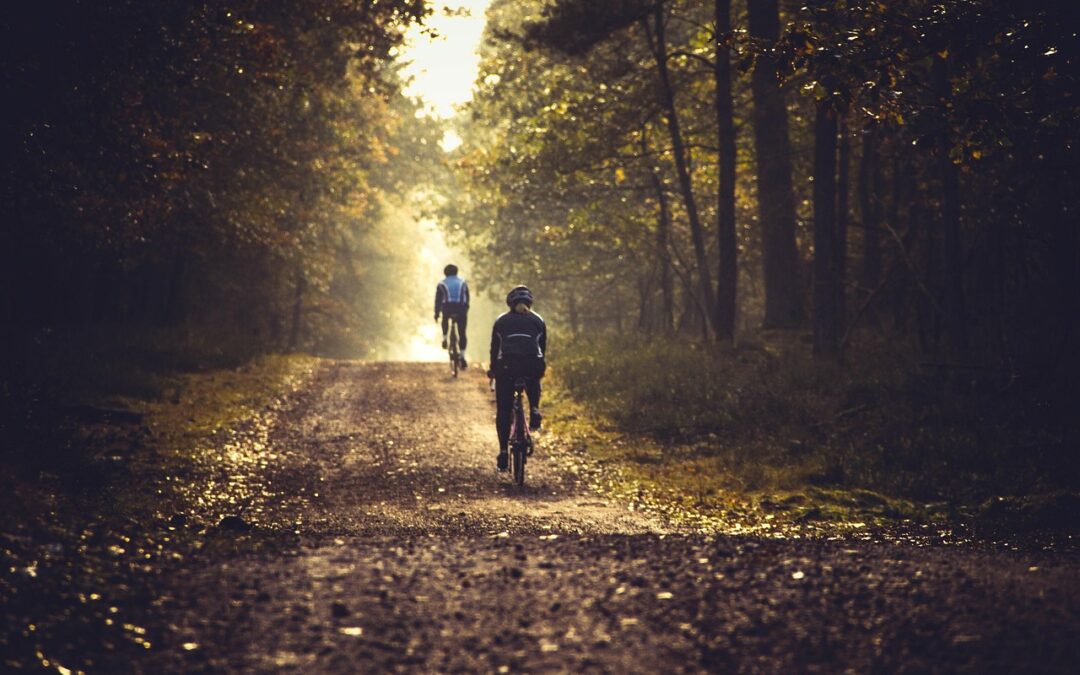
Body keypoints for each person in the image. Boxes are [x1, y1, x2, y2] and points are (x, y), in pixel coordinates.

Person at [487, 285, 546, 471]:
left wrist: (492, 370)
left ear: (510, 303)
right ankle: (535, 409)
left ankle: (504, 452)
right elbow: (541, 350)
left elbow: (495, 350)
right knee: (533, 377)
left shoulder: (501, 321)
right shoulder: (538, 321)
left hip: (507, 366)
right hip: (532, 364)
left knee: (504, 410)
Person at [434, 264, 470, 368]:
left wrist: (436, 314)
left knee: (445, 319)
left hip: (448, 308)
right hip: (461, 309)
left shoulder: (441, 283)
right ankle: (462, 356)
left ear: (445, 273)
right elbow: (467, 297)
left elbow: (438, 301)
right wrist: (466, 309)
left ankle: (445, 338)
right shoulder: (463, 282)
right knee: (462, 332)